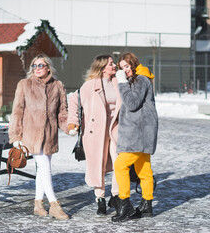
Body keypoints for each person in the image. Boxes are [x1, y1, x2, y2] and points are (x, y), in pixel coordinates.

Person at [9, 53, 69, 220]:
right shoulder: (24, 85)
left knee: (43, 169)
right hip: (31, 134)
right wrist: (15, 136)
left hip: (49, 135)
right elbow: (17, 111)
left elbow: (62, 112)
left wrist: (68, 127)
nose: (36, 68)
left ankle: (38, 203)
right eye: (34, 66)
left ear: (48, 67)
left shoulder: (58, 86)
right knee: (44, 167)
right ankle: (54, 205)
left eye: (40, 65)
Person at [67, 54, 121, 215]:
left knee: (120, 163)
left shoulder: (119, 83)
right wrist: (73, 122)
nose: (114, 65)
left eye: (113, 63)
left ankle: (116, 196)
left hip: (115, 129)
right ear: (103, 67)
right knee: (98, 165)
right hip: (95, 131)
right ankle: (100, 199)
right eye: (111, 63)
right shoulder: (89, 85)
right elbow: (74, 101)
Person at [112, 52, 158, 222]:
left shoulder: (141, 80)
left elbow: (132, 104)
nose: (124, 70)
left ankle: (125, 205)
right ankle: (147, 205)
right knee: (144, 170)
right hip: (142, 132)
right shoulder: (139, 79)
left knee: (120, 165)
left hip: (138, 133)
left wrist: (122, 83)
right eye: (121, 67)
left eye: (126, 66)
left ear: (133, 64)